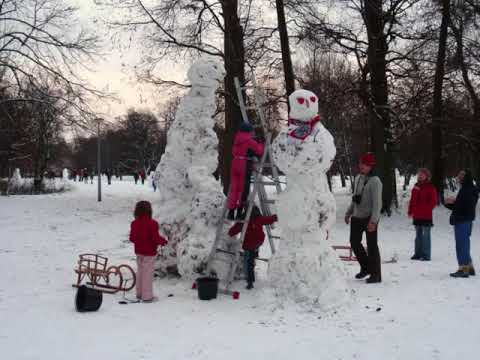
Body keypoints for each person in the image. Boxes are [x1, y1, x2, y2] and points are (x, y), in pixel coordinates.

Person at [345, 153, 383, 284]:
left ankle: (376, 275)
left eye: (364, 164)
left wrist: (373, 221)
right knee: (354, 242)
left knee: (372, 246)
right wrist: (348, 212)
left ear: (370, 166)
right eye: (360, 163)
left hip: (369, 218)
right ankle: (366, 267)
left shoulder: (375, 181)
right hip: (357, 217)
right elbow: (355, 198)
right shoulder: (358, 178)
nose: (361, 166)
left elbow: (377, 204)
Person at [228, 205, 277, 289]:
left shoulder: (244, 220)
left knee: (248, 261)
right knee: (252, 254)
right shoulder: (259, 218)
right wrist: (275, 217)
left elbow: (235, 229)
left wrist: (230, 233)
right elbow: (268, 219)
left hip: (249, 243)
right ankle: (255, 254)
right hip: (258, 241)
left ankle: (250, 281)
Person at [129, 201, 168, 302]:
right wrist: (163, 241)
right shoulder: (153, 224)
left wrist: (139, 241)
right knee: (147, 274)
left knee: (140, 272)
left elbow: (132, 238)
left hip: (138, 251)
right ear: (149, 211)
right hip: (149, 252)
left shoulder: (134, 223)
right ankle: (147, 296)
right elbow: (155, 238)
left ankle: (139, 293)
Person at [226, 122, 264, 220]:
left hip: (234, 162)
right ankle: (239, 213)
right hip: (243, 164)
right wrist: (260, 143)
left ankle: (230, 212)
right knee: (243, 190)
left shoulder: (237, 138)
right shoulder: (248, 140)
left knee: (234, 189)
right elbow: (259, 150)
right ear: (249, 131)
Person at [445, 169, 479, 278]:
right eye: (458, 175)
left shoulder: (467, 190)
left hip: (462, 220)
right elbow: (461, 205)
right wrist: (451, 204)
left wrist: (451, 204)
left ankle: (463, 269)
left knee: (461, 245)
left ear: (466, 177)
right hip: (466, 220)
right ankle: (469, 266)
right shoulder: (469, 189)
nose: (459, 178)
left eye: (461, 176)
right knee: (465, 244)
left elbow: (463, 207)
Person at [408, 168, 437, 261]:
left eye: (422, 174)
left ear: (427, 176)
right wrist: (410, 211)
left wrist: (426, 208)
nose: (420, 176)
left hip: (426, 215)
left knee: (426, 235)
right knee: (418, 235)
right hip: (417, 214)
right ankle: (417, 253)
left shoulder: (430, 187)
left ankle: (426, 255)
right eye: (419, 174)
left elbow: (433, 201)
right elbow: (412, 199)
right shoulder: (416, 186)